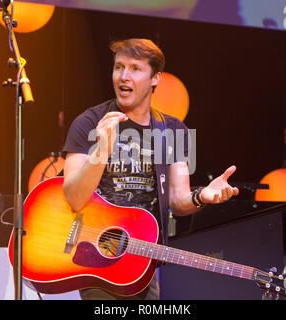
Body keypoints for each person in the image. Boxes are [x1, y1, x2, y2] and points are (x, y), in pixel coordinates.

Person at [61, 38, 239, 300]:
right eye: (118, 67)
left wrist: (203, 196)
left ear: (156, 78)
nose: (123, 76)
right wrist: (102, 149)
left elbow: (178, 201)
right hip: (98, 256)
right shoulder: (89, 122)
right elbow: (73, 197)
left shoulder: (173, 130)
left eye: (135, 68)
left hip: (144, 260)